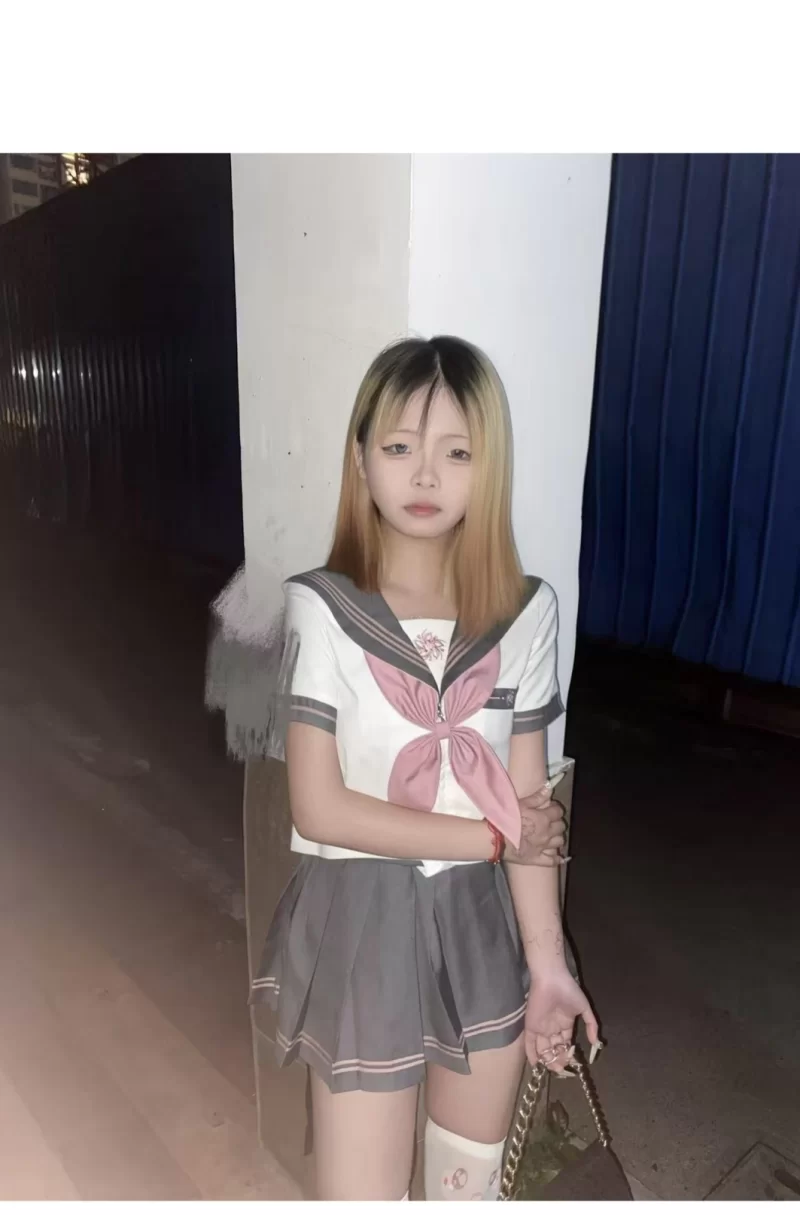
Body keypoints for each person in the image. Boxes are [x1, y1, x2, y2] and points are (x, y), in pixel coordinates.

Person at [249, 336, 600, 1201]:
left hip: (482, 927)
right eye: (400, 445)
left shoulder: (527, 613)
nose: (426, 474)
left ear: (490, 467)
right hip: (362, 921)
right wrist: (492, 838)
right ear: (360, 458)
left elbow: (529, 801)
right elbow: (320, 807)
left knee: (465, 1188)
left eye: (457, 452)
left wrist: (550, 967)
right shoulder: (321, 607)